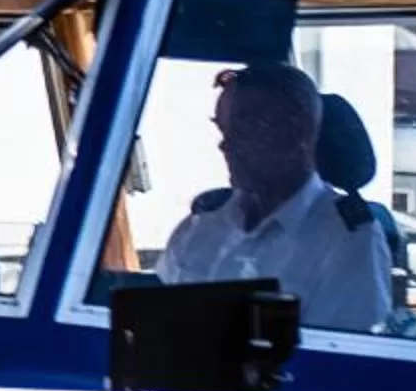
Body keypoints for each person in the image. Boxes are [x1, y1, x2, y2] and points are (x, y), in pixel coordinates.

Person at [154, 60, 393, 333]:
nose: (225, 145)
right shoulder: (199, 227)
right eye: (223, 129)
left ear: (296, 133)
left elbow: (342, 361)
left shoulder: (348, 239)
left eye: (243, 130)